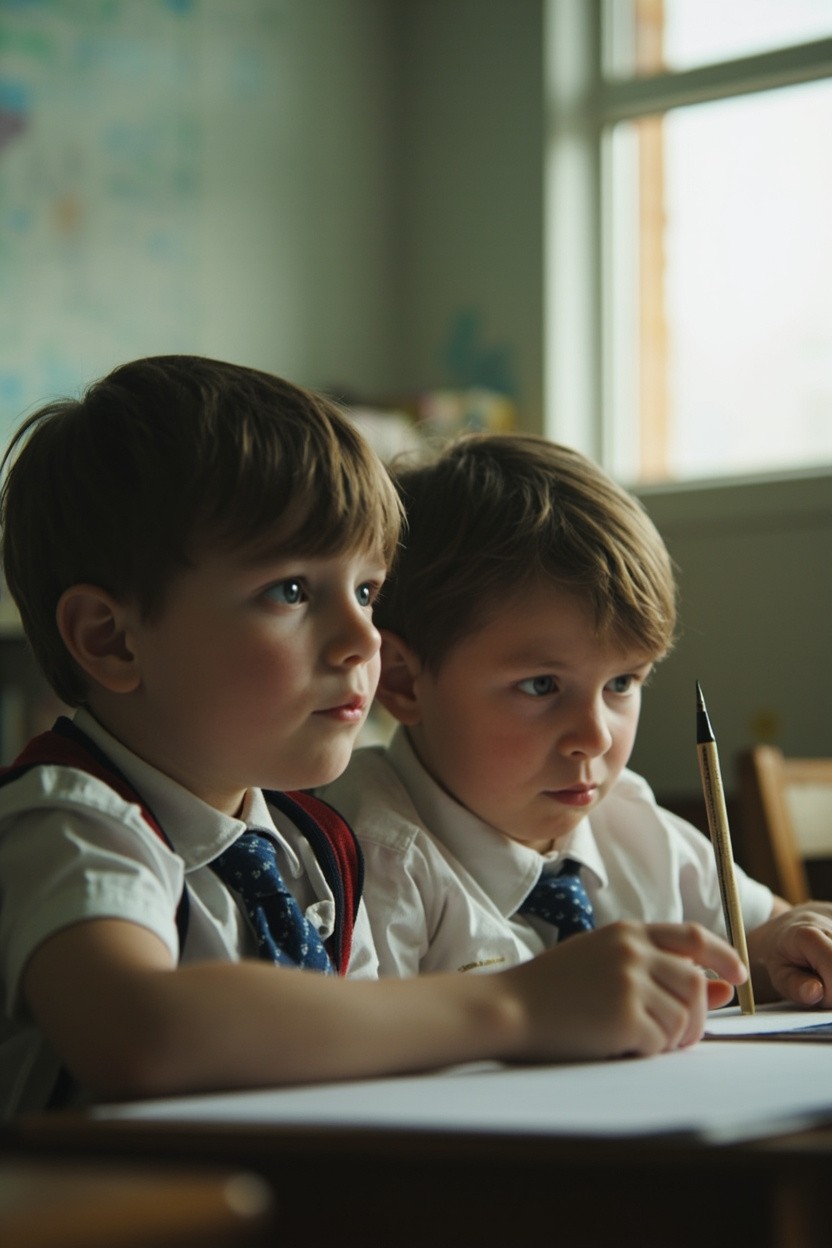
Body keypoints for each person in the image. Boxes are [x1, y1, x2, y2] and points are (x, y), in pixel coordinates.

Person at [0, 359, 746, 1120]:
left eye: (367, 591)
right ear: (111, 640)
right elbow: (142, 1032)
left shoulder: (311, 845)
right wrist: (516, 1006)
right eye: (291, 591)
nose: (364, 639)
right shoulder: (67, 821)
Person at [317, 433, 832, 1005]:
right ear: (402, 682)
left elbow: (757, 941)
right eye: (541, 686)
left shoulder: (634, 824)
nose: (595, 736)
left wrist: (791, 939)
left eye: (621, 684)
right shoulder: (362, 855)